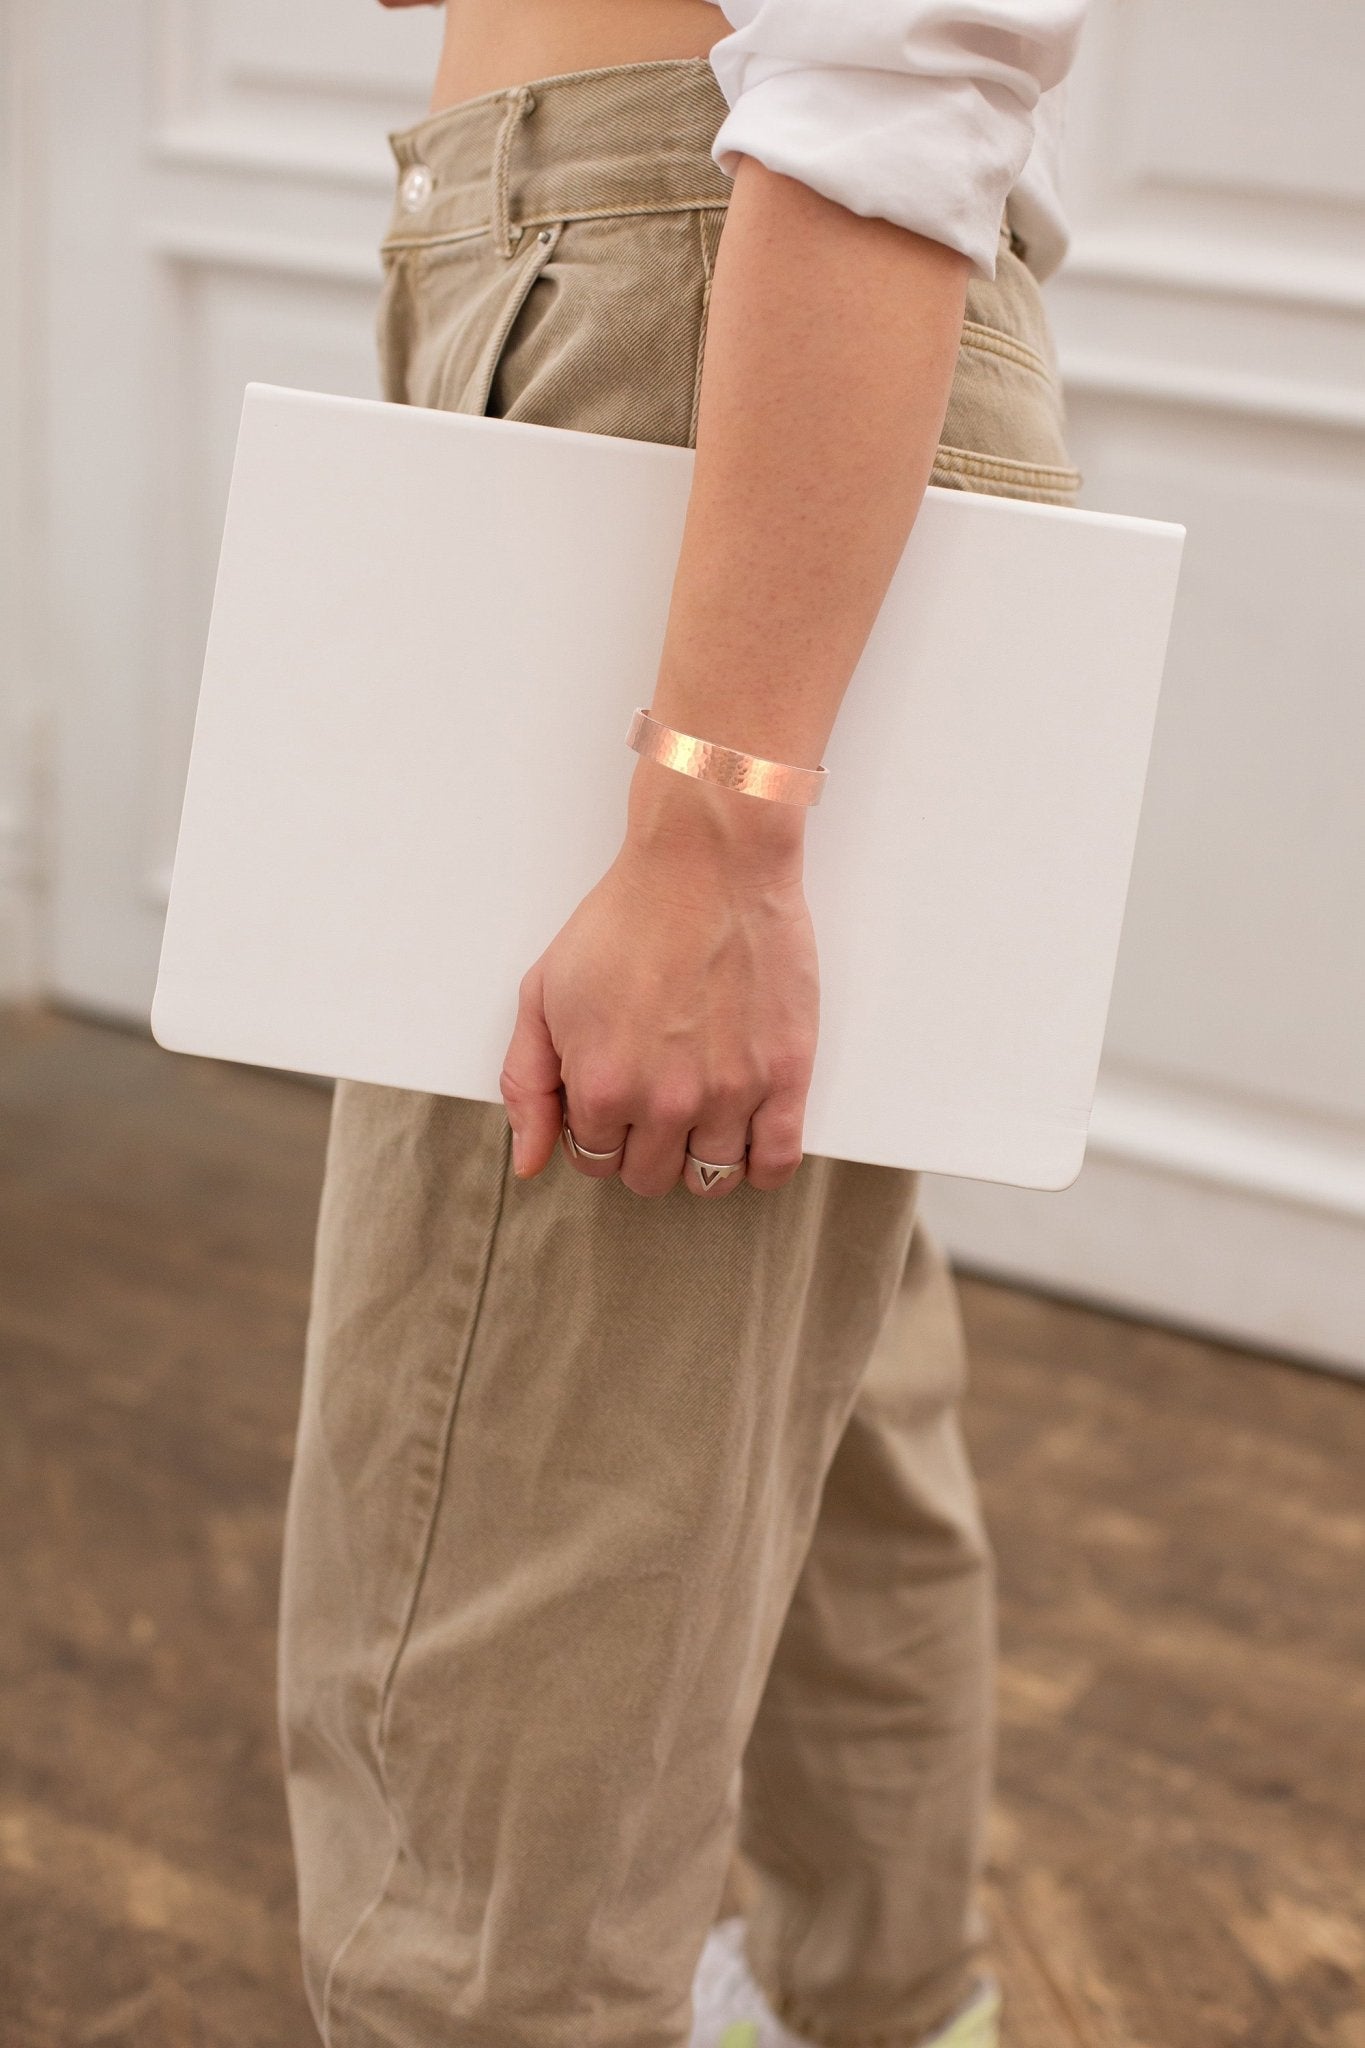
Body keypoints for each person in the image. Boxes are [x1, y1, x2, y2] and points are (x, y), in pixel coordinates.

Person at [277, 2, 1088, 2044]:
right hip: (706, 293)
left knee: (502, 1522)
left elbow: (897, 56)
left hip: (705, 306)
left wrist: (715, 816)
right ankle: (864, 1999)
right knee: (800, 1384)